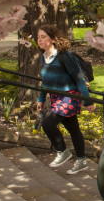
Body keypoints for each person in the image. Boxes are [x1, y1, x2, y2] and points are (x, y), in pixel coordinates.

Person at [36, 25, 95, 174]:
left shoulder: (64, 56)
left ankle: (62, 151)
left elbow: (79, 80)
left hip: (69, 97)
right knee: (73, 129)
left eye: (43, 36)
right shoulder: (43, 58)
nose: (39, 40)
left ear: (53, 39)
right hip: (56, 98)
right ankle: (81, 161)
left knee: (48, 124)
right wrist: (41, 98)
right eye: (38, 37)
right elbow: (45, 81)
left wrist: (87, 101)